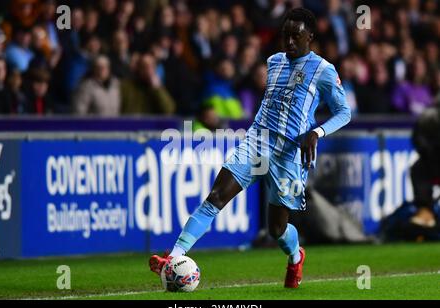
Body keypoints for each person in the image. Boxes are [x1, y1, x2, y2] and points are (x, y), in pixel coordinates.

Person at [149, 8, 351, 288]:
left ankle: (295, 257)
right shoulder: (274, 61)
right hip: (257, 141)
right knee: (217, 196)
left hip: (289, 154)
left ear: (310, 37)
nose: (290, 42)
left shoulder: (324, 71)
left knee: (277, 229)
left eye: (296, 36)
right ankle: (173, 257)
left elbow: (344, 112)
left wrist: (316, 132)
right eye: (285, 36)